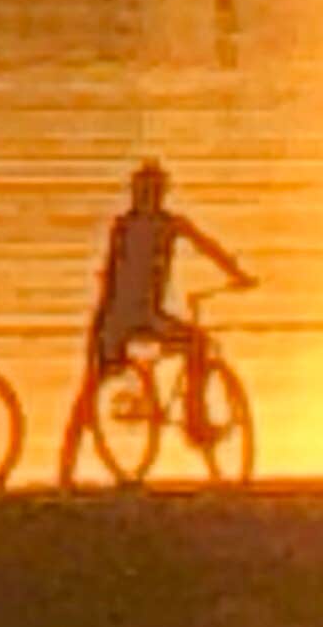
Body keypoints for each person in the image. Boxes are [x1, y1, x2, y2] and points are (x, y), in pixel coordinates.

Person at [60, 158, 250, 479]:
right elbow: (208, 248)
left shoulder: (123, 226)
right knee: (196, 343)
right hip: (144, 316)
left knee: (91, 385)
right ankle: (195, 420)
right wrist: (238, 275)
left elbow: (110, 275)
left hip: (114, 318)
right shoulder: (169, 225)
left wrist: (100, 325)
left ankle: (65, 467)